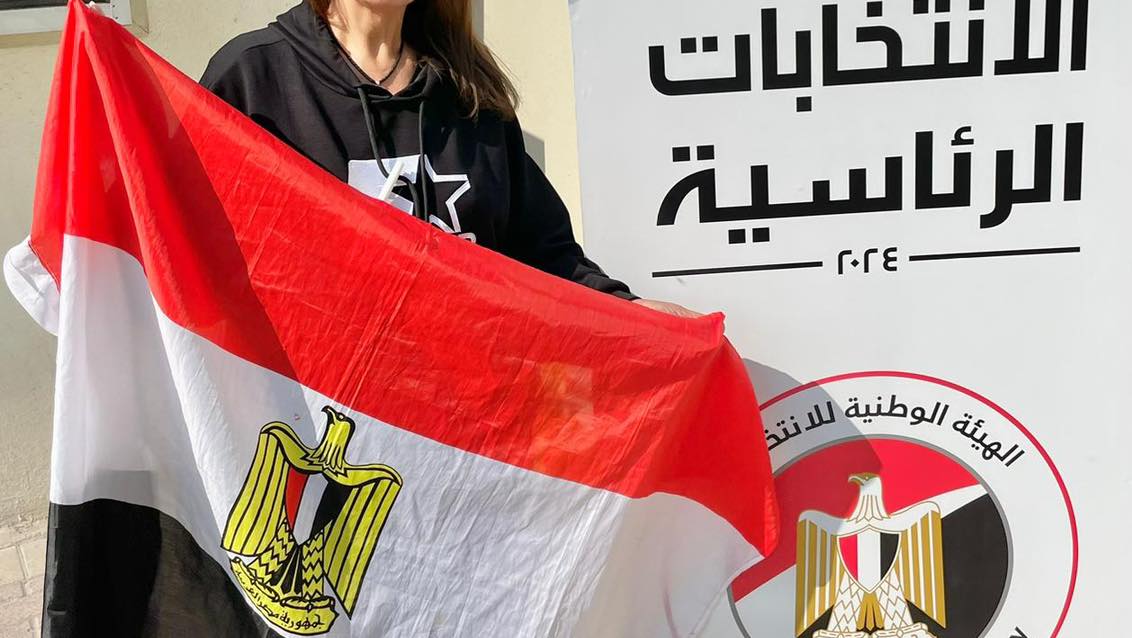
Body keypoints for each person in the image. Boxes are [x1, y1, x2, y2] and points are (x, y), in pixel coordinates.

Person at [201, 0, 698, 317]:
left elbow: (543, 255)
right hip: (315, 422)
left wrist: (630, 312)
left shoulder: (468, 91)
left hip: (461, 428)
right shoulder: (251, 80)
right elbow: (193, 250)